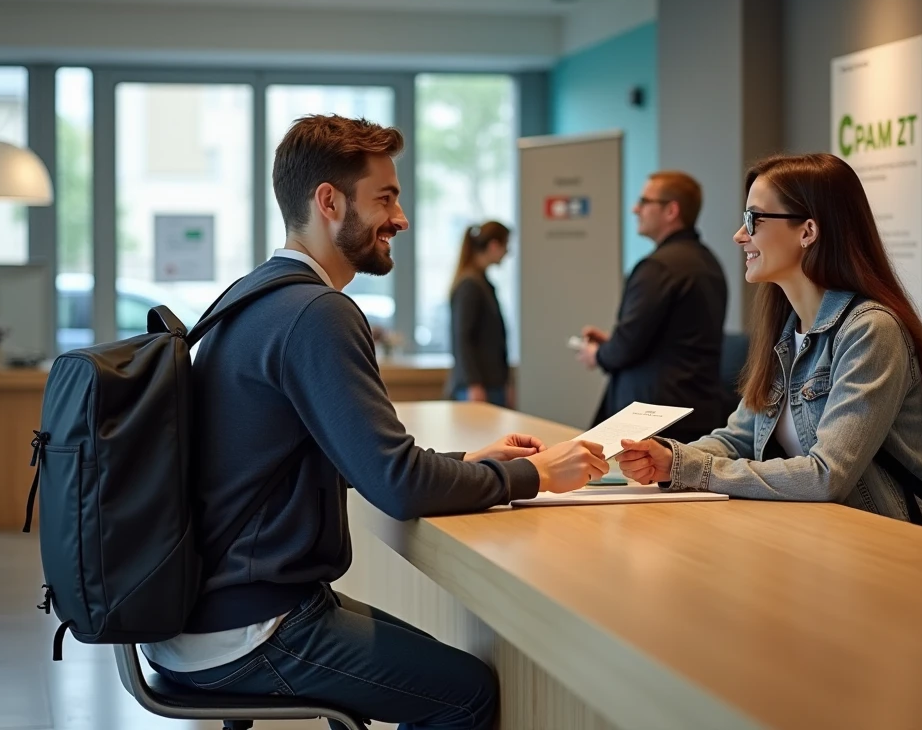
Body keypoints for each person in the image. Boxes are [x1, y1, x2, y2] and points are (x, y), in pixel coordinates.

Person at [141, 115, 608, 729]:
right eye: (384, 198)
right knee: (466, 694)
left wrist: (476, 465)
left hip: (204, 615)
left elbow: (364, 460)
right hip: (246, 627)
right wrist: (535, 476)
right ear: (329, 202)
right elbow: (398, 485)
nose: (402, 218)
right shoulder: (317, 312)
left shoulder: (253, 297)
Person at [616, 153, 922, 530]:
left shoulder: (871, 330)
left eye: (753, 219)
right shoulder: (787, 330)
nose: (740, 235)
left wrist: (689, 468)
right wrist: (667, 457)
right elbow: (737, 438)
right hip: (819, 534)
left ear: (808, 231)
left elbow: (826, 476)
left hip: (891, 540)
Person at [577, 171, 728, 439]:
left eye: (644, 201)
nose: (636, 209)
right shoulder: (709, 263)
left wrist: (597, 354)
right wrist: (613, 342)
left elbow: (627, 347)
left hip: (653, 420)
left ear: (671, 210)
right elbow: (671, 340)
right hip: (699, 414)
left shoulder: (658, 267)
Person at [447, 221, 513, 407]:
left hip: (491, 384)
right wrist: (473, 384)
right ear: (494, 245)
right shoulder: (470, 285)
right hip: (478, 388)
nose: (508, 253)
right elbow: (462, 338)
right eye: (506, 246)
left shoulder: (482, 283)